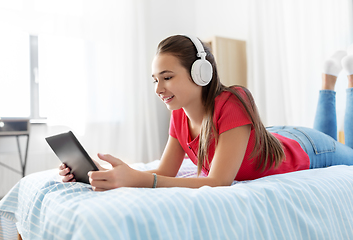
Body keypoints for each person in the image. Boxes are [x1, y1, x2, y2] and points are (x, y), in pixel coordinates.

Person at [59, 35, 353, 191]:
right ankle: (329, 81)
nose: (158, 88)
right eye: (155, 80)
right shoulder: (179, 114)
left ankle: (346, 82)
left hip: (307, 146)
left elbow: (218, 181)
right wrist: (113, 175)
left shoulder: (233, 99)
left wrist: (138, 180)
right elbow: (164, 173)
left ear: (201, 73)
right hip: (275, 136)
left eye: (167, 77)